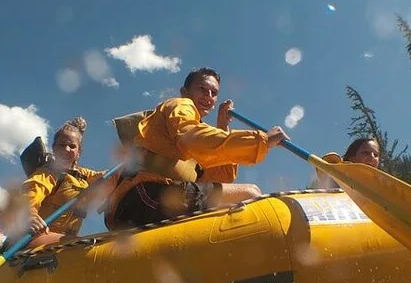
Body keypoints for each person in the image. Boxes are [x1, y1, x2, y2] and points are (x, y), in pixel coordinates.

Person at [104, 67, 290, 229]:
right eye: (202, 89)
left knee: (233, 207)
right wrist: (262, 140)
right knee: (250, 193)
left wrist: (222, 126)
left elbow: (221, 177)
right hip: (144, 196)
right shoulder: (180, 105)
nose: (208, 96)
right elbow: (191, 139)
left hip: (164, 198)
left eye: (213, 93)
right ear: (184, 91)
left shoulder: (201, 137)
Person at [22, 117, 114, 247]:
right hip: (34, 237)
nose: (66, 149)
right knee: (87, 245)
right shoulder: (48, 172)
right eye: (62, 145)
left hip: (62, 242)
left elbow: (107, 177)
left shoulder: (84, 175)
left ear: (78, 153)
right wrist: (29, 214)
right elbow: (32, 191)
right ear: (54, 148)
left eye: (72, 146)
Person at [315, 137, 380, 188]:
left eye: (376, 155)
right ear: (351, 157)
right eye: (366, 153)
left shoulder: (382, 185)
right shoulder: (339, 176)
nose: (372, 157)